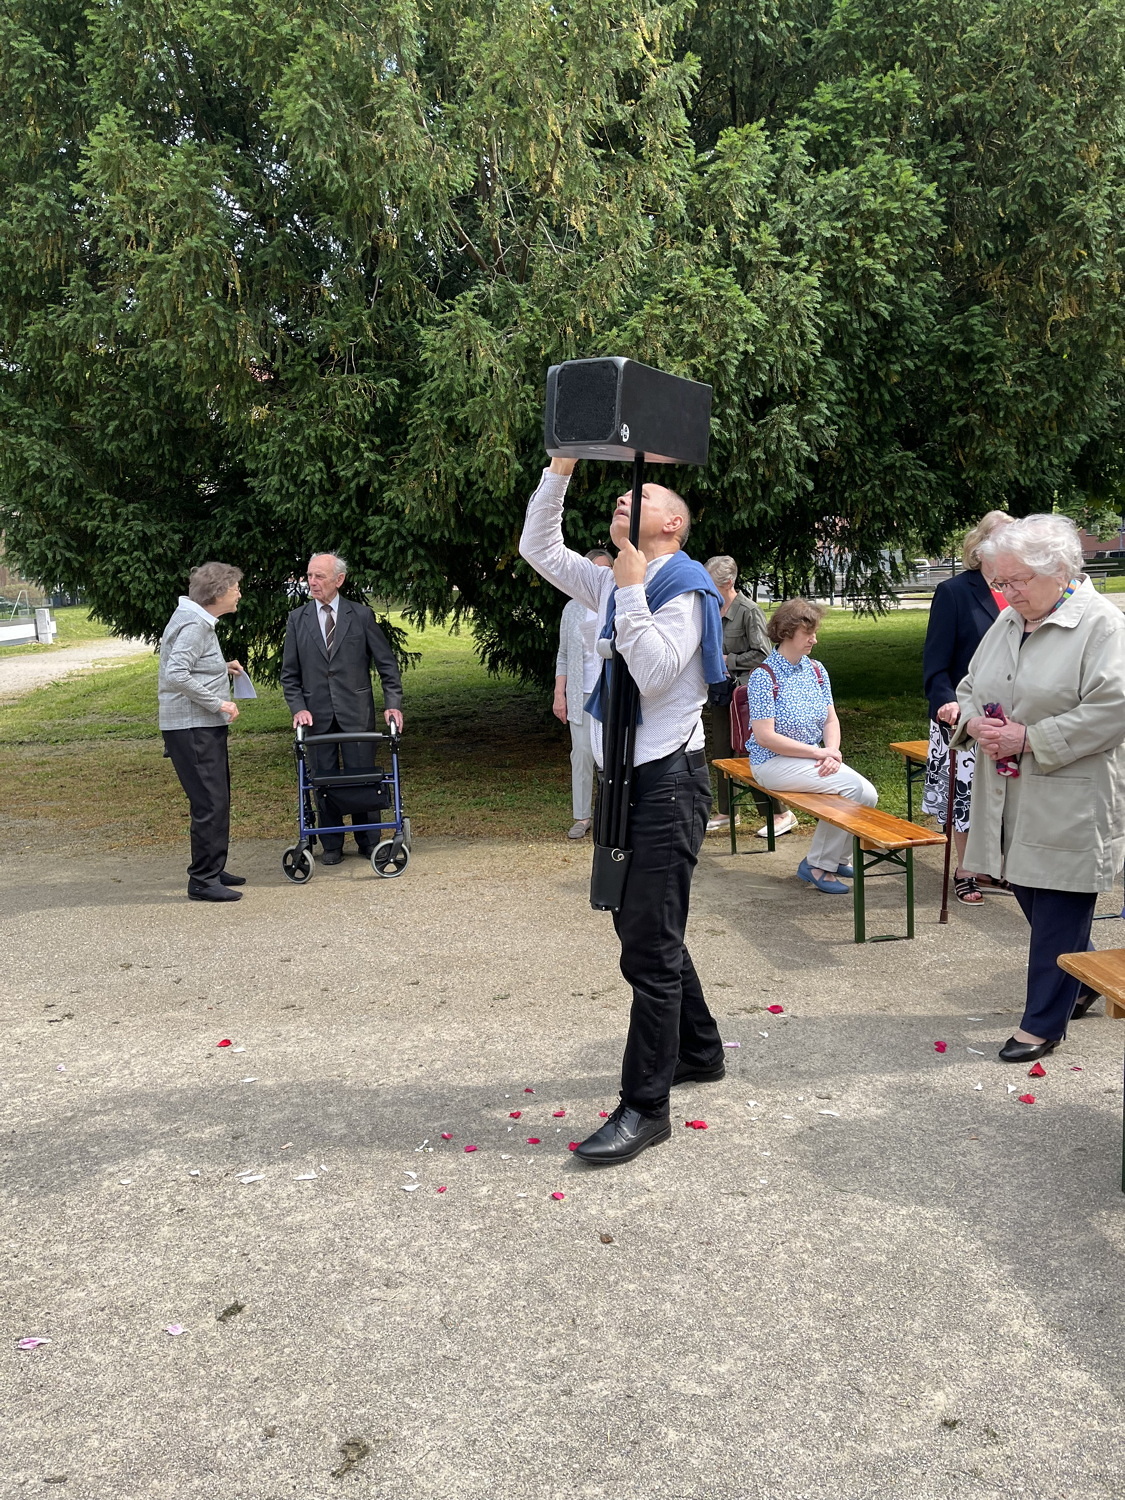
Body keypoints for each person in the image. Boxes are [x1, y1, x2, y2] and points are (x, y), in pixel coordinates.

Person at [520, 457, 727, 1165]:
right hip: (623, 784)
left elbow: (657, 674)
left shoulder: (684, 588)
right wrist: (559, 469)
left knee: (648, 946)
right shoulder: (609, 580)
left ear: (672, 522)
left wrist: (633, 592)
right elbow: (539, 547)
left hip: (667, 784)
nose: (622, 497)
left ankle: (646, 1107)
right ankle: (699, 1050)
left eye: (641, 494)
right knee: (644, 928)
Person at [953, 513, 1125, 1061]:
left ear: (1060, 570)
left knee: (1058, 900)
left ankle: (1042, 1024)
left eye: (1018, 580)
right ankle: (1083, 976)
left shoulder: (1102, 625)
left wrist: (1030, 737)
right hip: (1010, 790)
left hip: (1070, 792)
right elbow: (970, 684)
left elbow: (1114, 708)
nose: (1008, 592)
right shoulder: (1010, 621)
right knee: (1028, 887)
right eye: (1000, 581)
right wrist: (973, 722)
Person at [745, 599, 877, 893]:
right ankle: (817, 865)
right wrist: (819, 752)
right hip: (772, 762)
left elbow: (831, 719)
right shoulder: (763, 676)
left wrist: (833, 751)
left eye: (814, 632)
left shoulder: (816, 670)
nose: (814, 639)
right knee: (852, 788)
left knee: (867, 794)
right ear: (787, 632)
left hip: (811, 757)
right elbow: (765, 737)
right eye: (808, 633)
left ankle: (837, 858)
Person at [280, 552, 404, 864]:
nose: (312, 582)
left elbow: (387, 665)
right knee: (323, 780)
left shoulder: (360, 616)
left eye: (319, 576)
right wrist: (298, 708)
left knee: (363, 777)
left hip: (356, 712)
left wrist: (393, 705)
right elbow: (289, 675)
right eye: (309, 575)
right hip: (315, 716)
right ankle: (331, 844)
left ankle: (369, 840)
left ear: (339, 580)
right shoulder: (297, 619)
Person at [921, 512, 1012, 904]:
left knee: (1005, 796)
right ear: (982, 546)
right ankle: (966, 869)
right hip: (964, 716)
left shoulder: (1022, 591)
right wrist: (946, 701)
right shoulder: (954, 592)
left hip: (1011, 716)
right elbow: (935, 662)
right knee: (966, 798)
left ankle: (995, 867)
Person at [158, 562, 246, 903]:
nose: (239, 594)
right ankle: (203, 880)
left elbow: (188, 664)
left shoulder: (196, 620)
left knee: (217, 797)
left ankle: (213, 867)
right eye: (235, 588)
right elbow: (176, 673)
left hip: (199, 725)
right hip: (192, 725)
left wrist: (222, 668)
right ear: (218, 593)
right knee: (209, 802)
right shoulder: (195, 624)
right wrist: (219, 703)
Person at [702, 556, 793, 839]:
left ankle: (779, 813)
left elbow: (764, 654)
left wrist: (728, 660)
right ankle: (727, 811)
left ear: (729, 582)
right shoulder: (711, 608)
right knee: (721, 753)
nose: (708, 589)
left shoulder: (748, 610)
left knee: (750, 752)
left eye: (713, 584)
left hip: (745, 694)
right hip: (720, 692)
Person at [553, 548, 614, 839]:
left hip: (610, 692)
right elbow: (563, 654)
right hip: (581, 694)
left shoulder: (618, 603)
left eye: (605, 570)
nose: (599, 576)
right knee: (581, 753)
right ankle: (582, 816)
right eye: (594, 570)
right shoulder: (572, 608)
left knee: (613, 754)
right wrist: (559, 694)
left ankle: (613, 814)